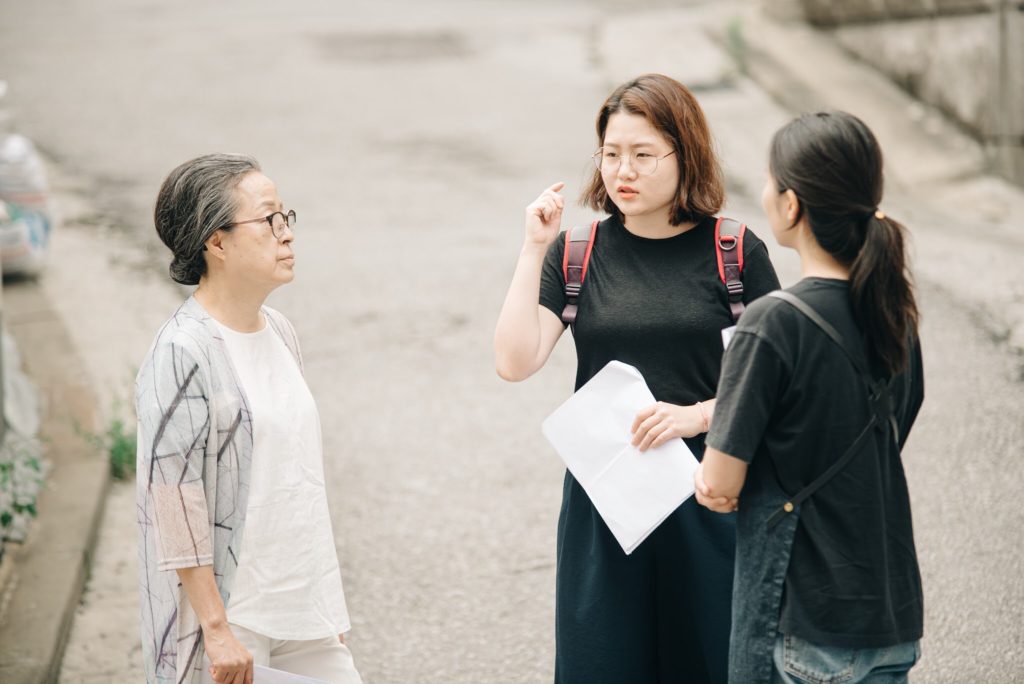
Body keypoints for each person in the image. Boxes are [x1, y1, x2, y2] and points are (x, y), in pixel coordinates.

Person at [494, 74, 780, 683]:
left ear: (687, 155)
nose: (624, 170)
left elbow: (779, 379)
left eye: (644, 155)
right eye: (612, 153)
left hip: (712, 490)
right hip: (608, 497)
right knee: (604, 661)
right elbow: (515, 362)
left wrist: (700, 413)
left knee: (712, 659)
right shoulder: (576, 253)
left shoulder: (735, 251)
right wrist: (531, 248)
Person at [695, 111, 924, 683]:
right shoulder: (894, 312)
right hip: (890, 616)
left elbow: (720, 483)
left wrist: (711, 483)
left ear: (791, 205)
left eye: (771, 182)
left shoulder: (773, 322)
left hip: (803, 619)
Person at [136, 154, 362, 684]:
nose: (286, 235)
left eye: (287, 218)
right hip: (237, 620)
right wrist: (215, 628)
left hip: (302, 608)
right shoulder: (180, 351)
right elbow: (175, 499)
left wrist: (323, 609)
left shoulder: (279, 330)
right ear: (216, 242)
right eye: (269, 220)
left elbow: (295, 476)